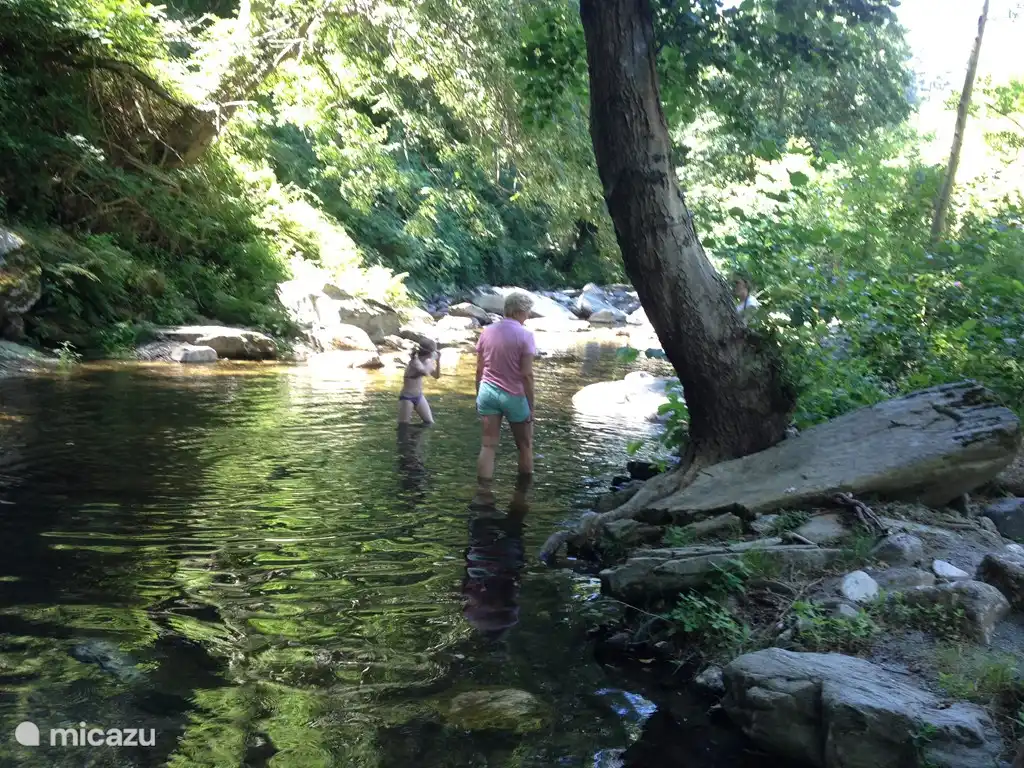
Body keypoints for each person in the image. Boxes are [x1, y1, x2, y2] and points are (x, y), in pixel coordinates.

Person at [475, 292, 536, 480]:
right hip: (514, 395)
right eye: (527, 312)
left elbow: (479, 368)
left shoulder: (487, 331)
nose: (528, 316)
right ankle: (523, 494)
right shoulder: (526, 335)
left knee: (487, 445)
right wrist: (531, 405)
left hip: (487, 391)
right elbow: (526, 375)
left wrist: (478, 394)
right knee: (525, 446)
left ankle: (483, 493)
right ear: (519, 311)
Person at [398, 341, 440, 425]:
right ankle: (411, 436)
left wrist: (438, 361)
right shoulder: (414, 362)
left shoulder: (427, 362)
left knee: (429, 423)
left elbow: (436, 376)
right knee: (403, 426)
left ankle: (415, 436)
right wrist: (433, 358)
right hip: (407, 397)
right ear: (430, 353)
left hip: (419, 396)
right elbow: (425, 373)